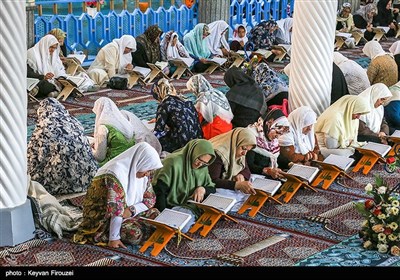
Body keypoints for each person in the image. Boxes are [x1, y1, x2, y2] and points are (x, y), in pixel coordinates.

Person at [73, 142, 163, 248]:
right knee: (134, 234)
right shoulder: (114, 174)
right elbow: (116, 210)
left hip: (127, 212)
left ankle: (141, 227)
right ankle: (135, 230)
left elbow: (150, 199)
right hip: (104, 219)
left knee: (156, 214)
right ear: (141, 162)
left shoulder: (143, 173)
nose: (147, 174)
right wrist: (114, 238)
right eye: (147, 170)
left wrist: (131, 210)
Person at [27, 98, 98, 196]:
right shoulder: (74, 122)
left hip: (61, 181)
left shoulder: (44, 128)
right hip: (87, 177)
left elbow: (36, 156)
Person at [152, 139, 216, 233]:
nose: (200, 164)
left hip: (190, 205)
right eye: (199, 159)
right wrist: (164, 215)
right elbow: (159, 191)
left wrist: (202, 189)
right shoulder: (173, 162)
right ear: (193, 152)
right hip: (171, 206)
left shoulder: (202, 167)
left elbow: (212, 188)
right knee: (181, 227)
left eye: (205, 163)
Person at [207, 127, 257, 210]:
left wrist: (242, 174)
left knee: (252, 182)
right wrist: (236, 185)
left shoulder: (237, 148)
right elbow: (212, 180)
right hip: (212, 187)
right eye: (243, 148)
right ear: (236, 142)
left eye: (247, 150)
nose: (244, 153)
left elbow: (246, 169)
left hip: (227, 183)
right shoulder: (219, 153)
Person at [151, 78, 203, 153]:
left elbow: (158, 131)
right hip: (198, 140)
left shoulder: (165, 103)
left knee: (153, 141)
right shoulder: (186, 99)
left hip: (181, 144)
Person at [91, 97, 136, 166]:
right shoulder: (124, 122)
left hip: (114, 163)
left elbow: (99, 157)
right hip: (131, 159)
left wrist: (89, 149)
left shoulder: (103, 128)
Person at [186, 74, 233, 139]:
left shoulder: (203, 99)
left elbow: (197, 119)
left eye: (192, 90)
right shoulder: (218, 92)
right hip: (227, 127)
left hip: (216, 132)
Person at [246, 109, 289, 179]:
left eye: (280, 134)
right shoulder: (252, 137)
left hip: (269, 177)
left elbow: (276, 156)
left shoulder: (273, 141)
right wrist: (268, 171)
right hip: (255, 178)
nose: (277, 136)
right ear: (269, 124)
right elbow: (249, 165)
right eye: (277, 132)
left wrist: (290, 164)